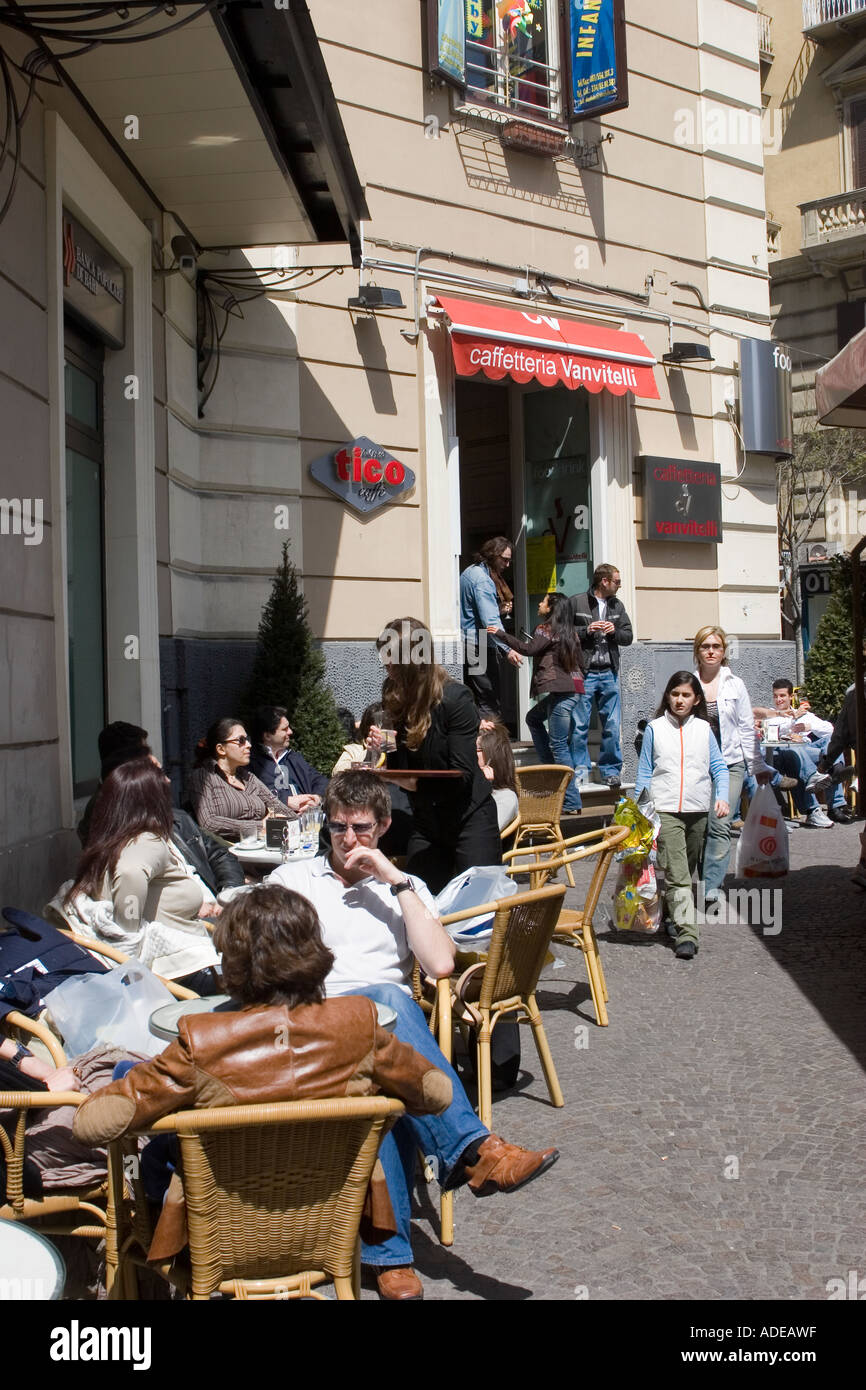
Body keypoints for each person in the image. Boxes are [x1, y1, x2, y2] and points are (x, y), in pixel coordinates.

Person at [267, 770, 559, 1300]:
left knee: (381, 1088)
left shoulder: (406, 888)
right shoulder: (294, 882)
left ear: (381, 827)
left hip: (384, 1043)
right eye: (337, 829)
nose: (348, 840)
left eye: (360, 829)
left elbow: (441, 963)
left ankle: (392, 1261)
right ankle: (476, 1152)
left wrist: (393, 881)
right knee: (387, 999)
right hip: (317, 1027)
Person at [70, 884, 454, 1266]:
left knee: (148, 1132)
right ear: (314, 951)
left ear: (233, 964)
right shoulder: (359, 1028)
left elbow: (91, 1125)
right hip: (330, 1229)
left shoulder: (201, 1042)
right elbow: (436, 1093)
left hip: (218, 1240)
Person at [64, 758, 222, 992]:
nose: (168, 780)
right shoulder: (146, 840)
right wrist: (128, 929)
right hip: (181, 973)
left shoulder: (109, 841)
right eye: (161, 779)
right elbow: (130, 873)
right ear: (148, 797)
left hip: (171, 972)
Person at [373, 617, 501, 893]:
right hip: (427, 822)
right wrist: (386, 744)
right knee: (418, 900)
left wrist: (415, 784)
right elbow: (400, 765)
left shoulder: (456, 699)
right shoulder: (395, 697)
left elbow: (463, 775)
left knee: (478, 907)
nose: (386, 667)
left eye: (392, 660)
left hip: (469, 817)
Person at [77, 725, 244, 897]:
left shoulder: (177, 818)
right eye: (158, 773)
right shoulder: (114, 824)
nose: (168, 780)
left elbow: (216, 851)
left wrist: (229, 890)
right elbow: (132, 903)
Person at [635, 672, 729, 961]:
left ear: (696, 699)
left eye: (686, 695)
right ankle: (687, 934)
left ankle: (670, 915)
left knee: (685, 872)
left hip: (698, 810)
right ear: (667, 696)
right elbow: (645, 771)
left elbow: (719, 767)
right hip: (665, 810)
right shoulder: (654, 728)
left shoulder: (704, 729)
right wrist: (639, 811)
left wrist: (722, 796)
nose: (680, 700)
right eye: (675, 694)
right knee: (678, 875)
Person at [692, 626, 774, 897]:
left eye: (716, 646)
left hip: (730, 764)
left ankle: (710, 888)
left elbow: (747, 728)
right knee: (700, 826)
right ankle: (706, 878)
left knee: (720, 823)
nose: (711, 651)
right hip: (698, 766)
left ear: (724, 651)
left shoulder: (735, 684)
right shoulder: (688, 684)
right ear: (698, 651)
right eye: (706, 646)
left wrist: (758, 766)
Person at [488, 591, 585, 813]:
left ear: (551, 608)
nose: (539, 604)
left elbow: (528, 649)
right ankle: (551, 771)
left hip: (562, 692)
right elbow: (581, 662)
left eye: (543, 602)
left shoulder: (547, 628)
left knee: (559, 745)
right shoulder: (570, 632)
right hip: (572, 690)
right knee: (533, 718)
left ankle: (570, 801)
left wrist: (501, 634)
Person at [754, 680, 854, 825]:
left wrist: (808, 726)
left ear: (791, 697)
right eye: (775, 696)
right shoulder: (771, 714)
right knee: (794, 750)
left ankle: (836, 773)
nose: (778, 700)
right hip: (783, 752)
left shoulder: (803, 714)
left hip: (807, 750)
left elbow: (830, 729)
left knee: (830, 741)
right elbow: (768, 727)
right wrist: (791, 723)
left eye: (782, 696)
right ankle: (820, 782)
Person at [569, 563, 632, 788]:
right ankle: (581, 773)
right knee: (579, 725)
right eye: (617, 581)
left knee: (613, 725)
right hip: (584, 672)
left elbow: (628, 636)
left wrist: (614, 632)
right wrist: (587, 631)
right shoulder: (577, 601)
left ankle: (610, 771)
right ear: (604, 581)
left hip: (609, 671)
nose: (620, 585)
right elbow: (562, 632)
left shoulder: (617, 605)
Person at [188, 718, 293, 841]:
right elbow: (209, 823)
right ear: (221, 749)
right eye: (241, 741)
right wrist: (260, 826)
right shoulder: (204, 777)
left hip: (260, 847)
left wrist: (304, 821)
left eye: (247, 740)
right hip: (228, 853)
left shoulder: (249, 778)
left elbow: (285, 812)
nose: (249, 745)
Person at [459, 536, 522, 722]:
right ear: (493, 555)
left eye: (509, 560)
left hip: (471, 644)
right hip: (479, 647)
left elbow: (476, 611)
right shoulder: (483, 581)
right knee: (488, 699)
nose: (508, 564)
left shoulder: (470, 572)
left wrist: (499, 609)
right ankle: (490, 746)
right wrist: (508, 649)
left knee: (476, 697)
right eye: (505, 559)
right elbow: (490, 623)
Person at [248, 706, 328, 811]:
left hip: (307, 819)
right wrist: (286, 801)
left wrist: (316, 797)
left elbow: (321, 781)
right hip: (277, 823)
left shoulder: (294, 758)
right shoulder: (251, 763)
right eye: (284, 729)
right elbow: (251, 796)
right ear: (267, 736)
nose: (290, 732)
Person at [476, 724, 519, 831]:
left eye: (475, 749)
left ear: (492, 755)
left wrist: (483, 789)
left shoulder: (506, 797)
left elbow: (484, 832)